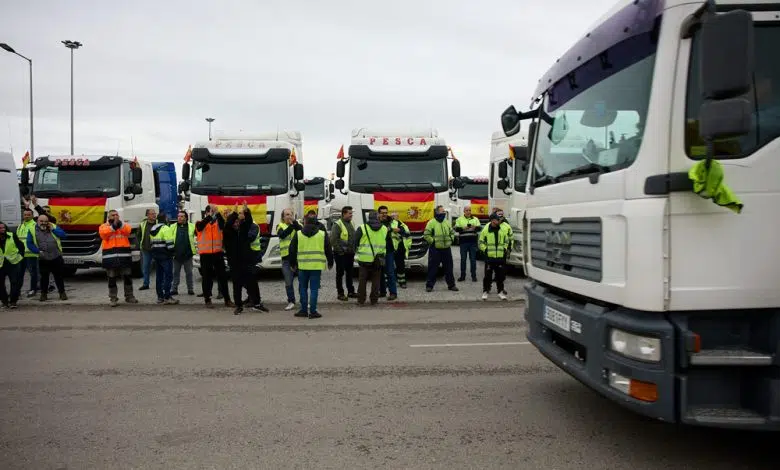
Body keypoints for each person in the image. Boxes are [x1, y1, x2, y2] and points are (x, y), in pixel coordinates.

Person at [224, 202, 267, 314]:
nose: (237, 223)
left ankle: (257, 304)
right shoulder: (228, 233)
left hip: (247, 262)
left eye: (238, 221)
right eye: (235, 221)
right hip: (234, 263)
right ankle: (238, 306)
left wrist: (246, 211)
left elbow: (248, 222)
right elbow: (228, 224)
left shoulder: (243, 231)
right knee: (237, 285)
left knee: (252, 283)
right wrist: (234, 213)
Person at [289, 214, 333, 318]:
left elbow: (292, 249)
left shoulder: (298, 234)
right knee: (314, 289)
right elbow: (328, 249)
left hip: (303, 266)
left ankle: (304, 310)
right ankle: (313, 311)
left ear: (305, 222)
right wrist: (331, 262)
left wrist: (292, 263)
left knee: (303, 288)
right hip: (316, 266)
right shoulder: (322, 234)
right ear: (315, 222)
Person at [195, 204, 234, 309]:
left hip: (217, 253)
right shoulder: (200, 223)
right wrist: (209, 216)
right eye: (210, 211)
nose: (212, 213)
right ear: (206, 212)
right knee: (207, 278)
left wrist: (217, 214)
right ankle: (207, 299)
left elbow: (223, 226)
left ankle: (227, 299)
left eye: (213, 211)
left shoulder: (218, 223)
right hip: (205, 254)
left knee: (223, 277)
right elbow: (200, 227)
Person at [99, 209, 138, 307]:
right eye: (113, 215)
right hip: (110, 257)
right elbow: (104, 235)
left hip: (124, 256)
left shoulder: (123, 225)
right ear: (108, 217)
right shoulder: (103, 226)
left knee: (128, 277)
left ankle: (129, 296)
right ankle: (113, 298)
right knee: (111, 278)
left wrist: (119, 225)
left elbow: (128, 231)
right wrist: (113, 227)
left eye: (117, 215)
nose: (115, 216)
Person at [25, 214, 68, 301]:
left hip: (56, 256)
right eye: (41, 221)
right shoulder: (32, 229)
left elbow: (64, 235)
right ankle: (43, 294)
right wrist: (37, 251)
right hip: (43, 258)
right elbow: (29, 243)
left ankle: (62, 293)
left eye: (45, 221)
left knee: (58, 277)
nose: (44, 223)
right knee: (44, 278)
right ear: (37, 221)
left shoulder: (53, 226)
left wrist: (53, 229)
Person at [354, 210, 388, 306]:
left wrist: (356, 251)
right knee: (376, 280)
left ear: (369, 217)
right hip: (378, 259)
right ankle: (374, 300)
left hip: (364, 259)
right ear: (377, 217)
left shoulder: (362, 228)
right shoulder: (385, 229)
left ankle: (361, 300)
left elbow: (355, 242)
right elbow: (387, 243)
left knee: (362, 280)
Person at [423, 205, 459, 293]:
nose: (444, 213)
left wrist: (451, 240)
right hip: (435, 249)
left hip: (446, 249)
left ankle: (451, 285)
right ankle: (429, 286)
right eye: (442, 211)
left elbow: (452, 233)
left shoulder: (447, 222)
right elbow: (426, 235)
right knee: (433, 268)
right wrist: (433, 242)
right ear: (437, 212)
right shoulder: (431, 223)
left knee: (449, 268)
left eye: (444, 211)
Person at [479, 212, 510, 301]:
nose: (499, 221)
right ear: (493, 220)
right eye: (497, 219)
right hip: (490, 257)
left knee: (500, 276)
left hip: (500, 257)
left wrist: (504, 249)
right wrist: (485, 250)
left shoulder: (502, 230)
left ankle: (500, 292)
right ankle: (485, 291)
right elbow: (481, 242)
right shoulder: (485, 230)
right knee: (487, 276)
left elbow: (506, 241)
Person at [149, 214, 178, 305]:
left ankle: (160, 297)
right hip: (166, 256)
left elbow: (151, 243)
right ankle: (167, 297)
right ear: (165, 219)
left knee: (159, 277)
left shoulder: (153, 229)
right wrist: (173, 253)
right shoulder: (166, 228)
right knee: (168, 276)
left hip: (156, 256)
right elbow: (170, 245)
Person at [277, 208, 302, 311]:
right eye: (286, 215)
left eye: (290, 214)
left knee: (302, 281)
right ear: (283, 217)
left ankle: (303, 301)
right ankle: (291, 301)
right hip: (286, 258)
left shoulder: (297, 225)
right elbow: (282, 235)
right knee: (288, 281)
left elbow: (302, 232)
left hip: (298, 257)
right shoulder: (280, 226)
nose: (288, 216)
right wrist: (292, 226)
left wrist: (294, 223)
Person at [330, 206, 357, 301]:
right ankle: (340, 293)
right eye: (350, 213)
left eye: (351, 213)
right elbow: (333, 240)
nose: (351, 215)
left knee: (350, 273)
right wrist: (340, 252)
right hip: (340, 254)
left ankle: (350, 291)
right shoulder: (338, 224)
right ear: (344, 214)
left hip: (350, 253)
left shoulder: (351, 223)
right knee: (340, 273)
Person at [0, 221, 26, 308]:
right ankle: (4, 301)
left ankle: (13, 301)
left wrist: (20, 256)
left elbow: (21, 246)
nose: (2, 229)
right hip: (1, 264)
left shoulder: (11, 235)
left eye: (3, 228)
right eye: (0, 228)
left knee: (15, 283)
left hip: (13, 263)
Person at [377, 205, 400, 301]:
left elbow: (403, 230)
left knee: (390, 272)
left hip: (389, 250)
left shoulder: (392, 222)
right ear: (378, 214)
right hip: (378, 251)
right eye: (382, 213)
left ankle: (393, 293)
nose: (384, 215)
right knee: (379, 273)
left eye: (386, 213)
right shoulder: (375, 223)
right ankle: (382, 292)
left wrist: (396, 229)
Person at [170, 211, 196, 296]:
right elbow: (169, 238)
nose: (179, 218)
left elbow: (196, 237)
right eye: (178, 216)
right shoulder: (172, 226)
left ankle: (190, 289)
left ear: (186, 218)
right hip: (176, 255)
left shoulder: (192, 226)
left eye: (181, 216)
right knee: (175, 273)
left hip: (187, 255)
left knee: (189, 273)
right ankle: (174, 289)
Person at [16, 208, 39, 298]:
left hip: (31, 254)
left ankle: (33, 290)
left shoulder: (35, 226)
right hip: (21, 255)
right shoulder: (20, 226)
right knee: (19, 274)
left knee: (33, 274)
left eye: (29, 215)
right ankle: (17, 291)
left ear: (32, 215)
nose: (26, 216)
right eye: (25, 214)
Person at [454, 206, 481, 282]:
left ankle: (474, 276)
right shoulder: (459, 219)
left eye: (469, 210)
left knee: (473, 260)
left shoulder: (475, 219)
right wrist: (463, 228)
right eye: (467, 210)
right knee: (463, 260)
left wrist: (474, 227)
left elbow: (480, 228)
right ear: (464, 211)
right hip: (463, 243)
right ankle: (462, 276)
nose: (468, 212)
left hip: (473, 243)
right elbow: (455, 229)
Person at [388, 211, 411, 289]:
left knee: (400, 266)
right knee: (389, 266)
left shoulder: (403, 225)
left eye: (396, 215)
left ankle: (402, 282)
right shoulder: (388, 223)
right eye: (393, 216)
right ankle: (388, 282)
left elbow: (408, 234)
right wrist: (392, 229)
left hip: (400, 249)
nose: (394, 217)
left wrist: (400, 230)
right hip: (389, 248)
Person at [137, 208, 157, 291]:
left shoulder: (159, 223)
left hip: (157, 249)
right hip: (146, 249)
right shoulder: (142, 224)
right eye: (152, 214)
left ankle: (161, 283)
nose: (154, 215)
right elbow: (138, 235)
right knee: (146, 267)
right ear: (147, 215)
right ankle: (146, 284)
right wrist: (140, 244)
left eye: (154, 213)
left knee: (160, 267)